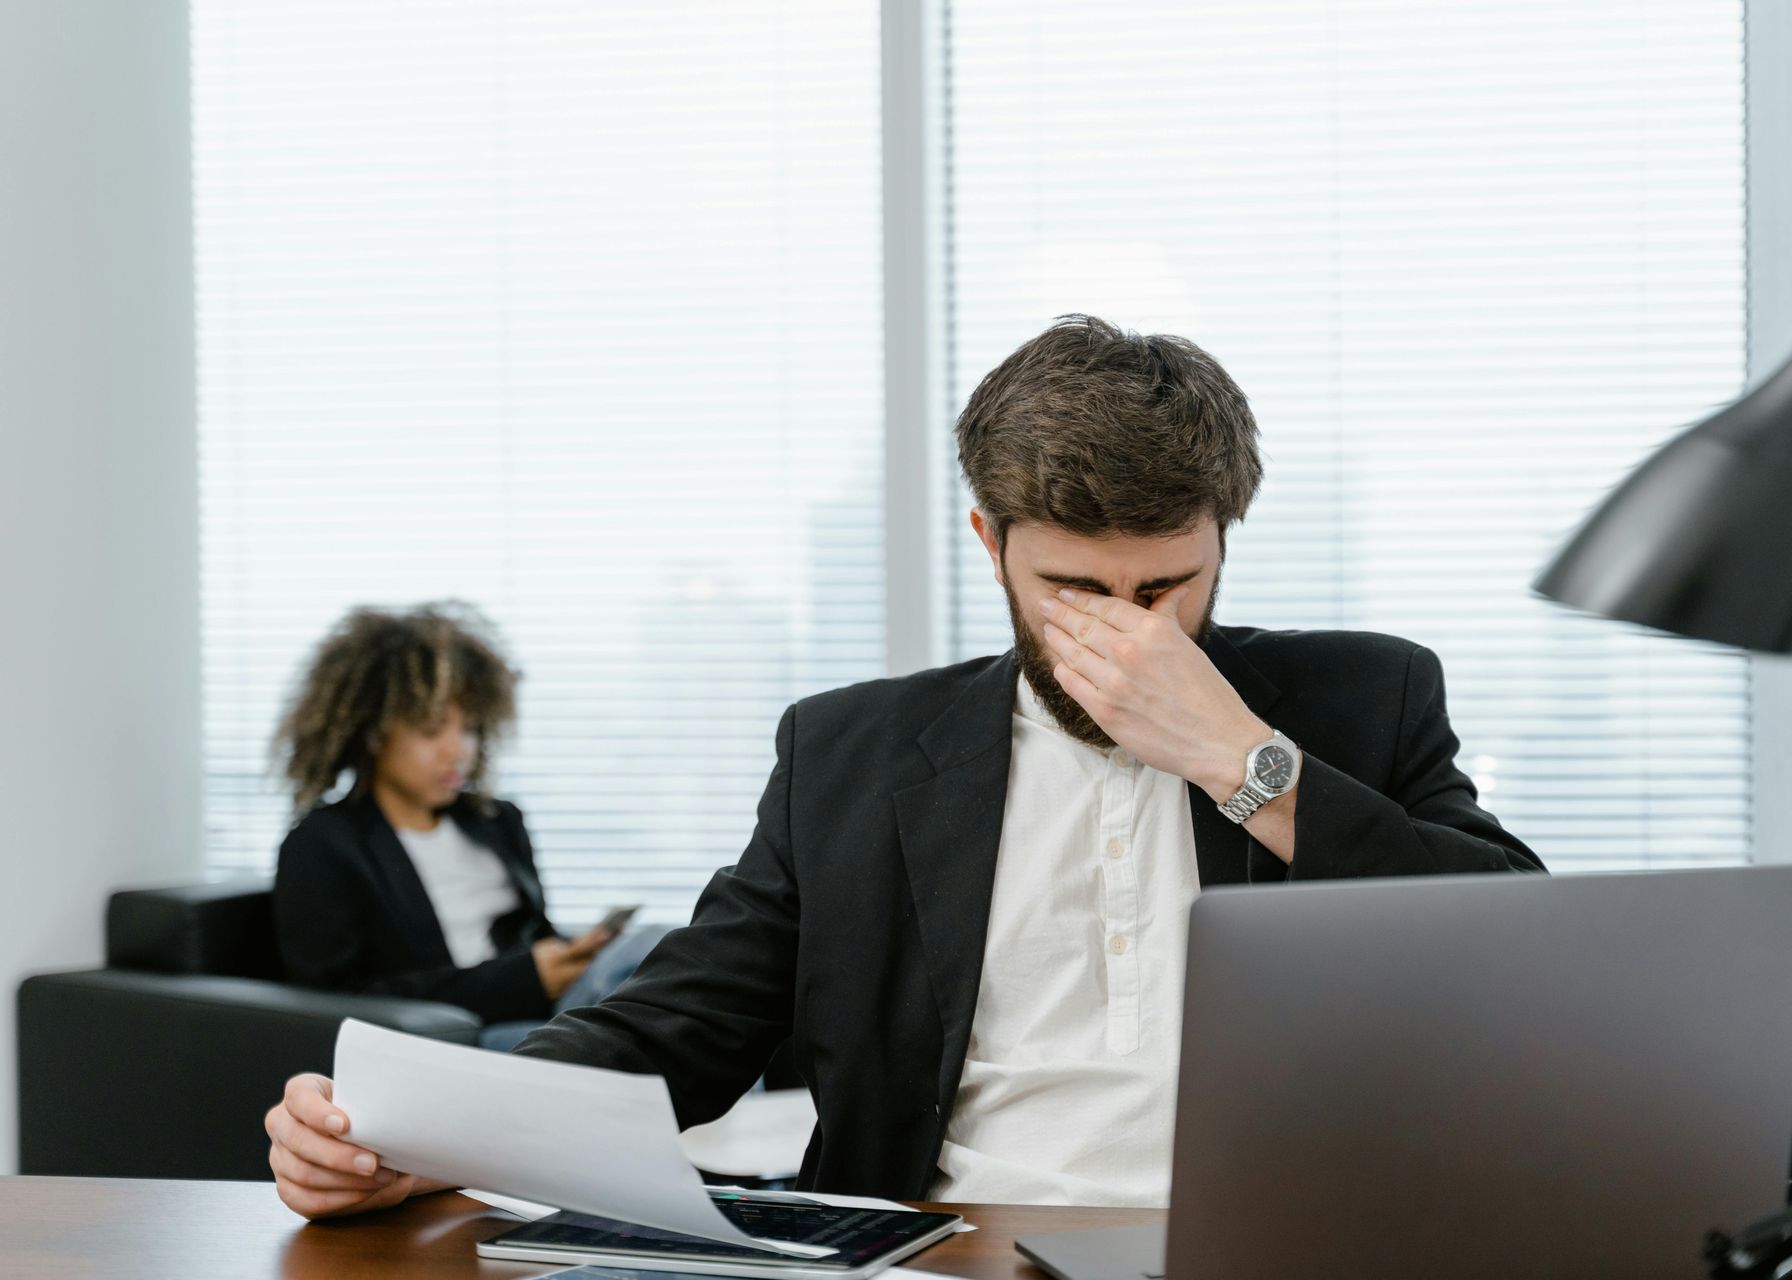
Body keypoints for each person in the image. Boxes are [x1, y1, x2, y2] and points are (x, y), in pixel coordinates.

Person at [264, 315, 1545, 1218]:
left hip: (1269, 1245)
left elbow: (1520, 962)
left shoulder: (1362, 697)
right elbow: (683, 1024)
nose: (1127, 632)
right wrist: (428, 1136)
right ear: (991, 544)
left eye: (1169, 587)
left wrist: (1239, 757)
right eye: (1073, 589)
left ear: (1225, 537)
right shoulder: (851, 752)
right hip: (945, 1245)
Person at [270, 602, 660, 1051]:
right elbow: (339, 1003)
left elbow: (533, 936)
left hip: (551, 1014)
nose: (458, 751)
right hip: (468, 1037)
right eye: (433, 730)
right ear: (374, 733)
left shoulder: (497, 821)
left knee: (660, 959)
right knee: (658, 992)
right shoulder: (323, 845)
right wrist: (524, 979)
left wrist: (573, 955)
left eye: (471, 729)